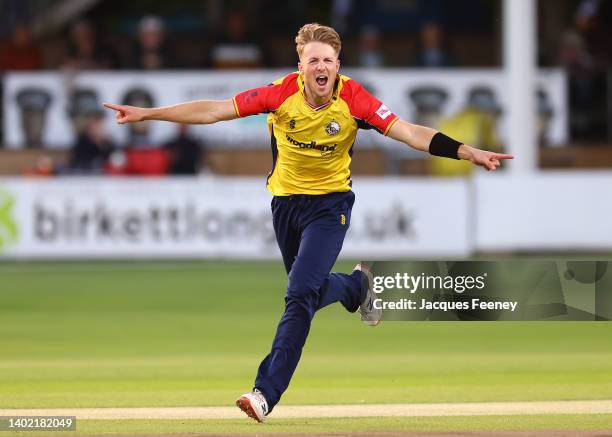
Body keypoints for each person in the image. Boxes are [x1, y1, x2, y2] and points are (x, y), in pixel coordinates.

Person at [104, 23, 512, 423]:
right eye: (312, 59)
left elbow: (409, 133)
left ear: (338, 65)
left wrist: (465, 151)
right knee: (308, 292)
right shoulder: (280, 94)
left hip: (330, 207)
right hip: (285, 205)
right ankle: (357, 286)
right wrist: (149, 114)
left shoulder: (354, 98)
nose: (321, 66)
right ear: (300, 66)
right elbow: (214, 110)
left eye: (329, 60)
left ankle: (264, 393)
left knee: (299, 294)